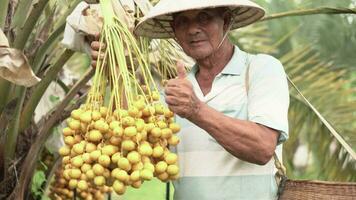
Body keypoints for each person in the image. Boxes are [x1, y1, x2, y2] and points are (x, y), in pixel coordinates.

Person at [91, 0, 290, 199]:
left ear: (226, 21)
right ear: (174, 32)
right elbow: (138, 145)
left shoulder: (261, 68)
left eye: (204, 17)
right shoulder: (177, 90)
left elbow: (262, 147)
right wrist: (115, 72)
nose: (193, 29)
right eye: (182, 22)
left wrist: (197, 111)